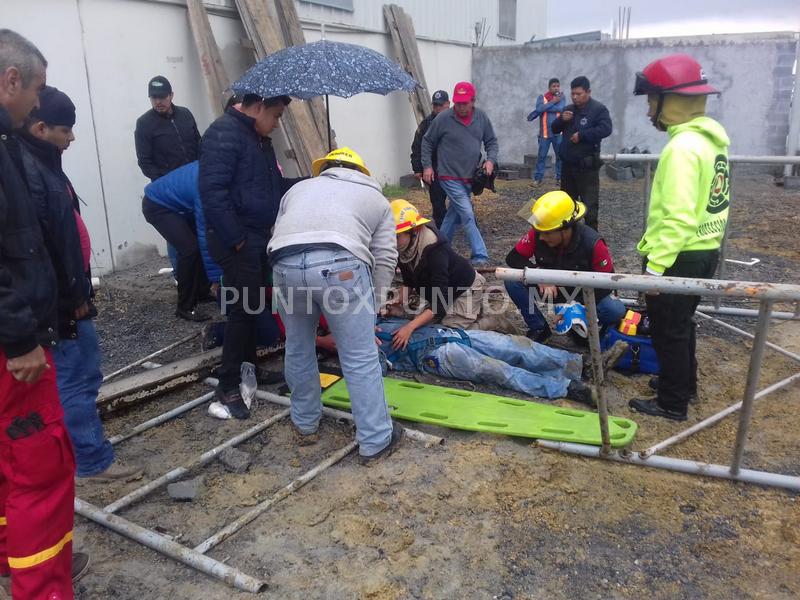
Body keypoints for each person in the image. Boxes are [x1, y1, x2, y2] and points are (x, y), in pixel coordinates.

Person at [17, 85, 142, 484]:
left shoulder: (43, 163)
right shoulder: (29, 172)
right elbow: (44, 248)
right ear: (40, 128)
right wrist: (73, 298)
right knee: (78, 377)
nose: (72, 138)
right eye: (65, 130)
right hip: (62, 303)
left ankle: (83, 450)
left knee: (81, 375)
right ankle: (91, 461)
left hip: (70, 295)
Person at [0, 28, 84, 599]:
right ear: (11, 80)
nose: (38, 102)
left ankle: (10, 562)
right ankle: (43, 586)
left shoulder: (11, 147)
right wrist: (20, 335)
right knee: (40, 470)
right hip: (14, 342)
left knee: (10, 456)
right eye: (37, 90)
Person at [268, 147, 403, 463]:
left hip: (284, 264)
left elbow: (279, 234)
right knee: (358, 355)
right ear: (361, 172)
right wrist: (374, 306)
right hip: (339, 264)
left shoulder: (297, 189)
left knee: (298, 347)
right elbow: (385, 257)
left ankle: (305, 424)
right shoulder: (375, 198)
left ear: (324, 168)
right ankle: (376, 440)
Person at [628, 54, 729, 422]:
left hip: (678, 254)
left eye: (651, 101)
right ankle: (683, 383)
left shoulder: (682, 149)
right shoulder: (710, 142)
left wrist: (654, 271)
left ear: (671, 100)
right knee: (682, 323)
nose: (648, 111)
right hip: (704, 249)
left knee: (668, 329)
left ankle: (672, 403)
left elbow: (679, 215)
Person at [199, 93, 303, 418]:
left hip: (257, 238)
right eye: (275, 116)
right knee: (242, 312)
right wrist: (238, 239)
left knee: (250, 306)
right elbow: (212, 193)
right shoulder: (224, 134)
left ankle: (249, 371)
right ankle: (227, 386)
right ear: (257, 107)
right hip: (238, 241)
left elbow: (272, 187)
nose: (276, 123)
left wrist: (312, 181)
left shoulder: (258, 139)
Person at [377, 318, 597, 406]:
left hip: (450, 333)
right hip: (433, 354)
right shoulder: (356, 350)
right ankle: (566, 388)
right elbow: (373, 372)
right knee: (497, 370)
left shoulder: (369, 315)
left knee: (514, 345)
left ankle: (578, 365)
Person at [504, 190, 626, 343]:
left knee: (615, 310)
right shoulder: (538, 233)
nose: (542, 237)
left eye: (547, 233)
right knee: (512, 281)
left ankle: (595, 331)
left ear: (565, 229)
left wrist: (576, 307)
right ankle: (539, 328)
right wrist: (539, 276)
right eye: (540, 232)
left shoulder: (593, 243)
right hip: (551, 290)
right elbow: (513, 257)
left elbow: (606, 285)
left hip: (583, 294)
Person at [386, 199, 507, 349]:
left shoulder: (435, 250)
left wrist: (409, 327)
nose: (391, 241)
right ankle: (471, 312)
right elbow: (409, 281)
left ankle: (490, 322)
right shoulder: (404, 248)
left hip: (465, 289)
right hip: (443, 293)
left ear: (414, 231)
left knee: (448, 336)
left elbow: (440, 304)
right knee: (428, 328)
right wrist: (397, 303)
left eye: (396, 236)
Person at [421, 81, 498, 266]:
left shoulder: (481, 118)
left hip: (470, 177)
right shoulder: (443, 119)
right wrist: (427, 166)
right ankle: (480, 255)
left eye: (465, 103)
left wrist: (490, 160)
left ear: (473, 101)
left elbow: (491, 142)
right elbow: (427, 141)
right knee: (467, 213)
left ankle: (437, 249)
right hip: (448, 176)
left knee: (452, 215)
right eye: (458, 103)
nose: (461, 107)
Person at [143, 161, 211, 321]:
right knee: (190, 249)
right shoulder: (205, 182)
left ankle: (201, 292)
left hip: (179, 204)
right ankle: (185, 306)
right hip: (157, 206)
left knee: (196, 247)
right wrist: (216, 278)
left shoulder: (212, 166)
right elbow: (204, 232)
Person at [551, 76, 612, 231]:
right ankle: (568, 239)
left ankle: (592, 241)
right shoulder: (568, 109)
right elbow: (554, 129)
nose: (575, 97)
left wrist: (583, 135)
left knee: (590, 208)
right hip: (568, 167)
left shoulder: (598, 110)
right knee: (567, 207)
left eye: (579, 94)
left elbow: (606, 129)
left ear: (588, 92)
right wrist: (561, 121)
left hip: (587, 168)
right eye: (573, 94)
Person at [134, 75, 201, 182]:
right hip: (170, 187)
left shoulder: (185, 114)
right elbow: (144, 161)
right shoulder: (144, 124)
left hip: (196, 178)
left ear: (171, 95)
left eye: (162, 97)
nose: (158, 102)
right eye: (154, 97)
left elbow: (199, 144)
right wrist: (164, 181)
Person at [410, 89, 450, 227]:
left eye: (440, 105)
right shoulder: (426, 124)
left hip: (454, 170)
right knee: (438, 204)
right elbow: (417, 147)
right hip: (434, 171)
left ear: (448, 104)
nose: (437, 108)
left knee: (462, 204)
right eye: (435, 105)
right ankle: (442, 233)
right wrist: (418, 169)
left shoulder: (457, 122)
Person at [528, 78, 566, 185]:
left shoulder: (562, 97)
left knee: (560, 156)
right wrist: (553, 102)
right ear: (549, 88)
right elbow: (539, 109)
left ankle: (559, 177)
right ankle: (538, 179)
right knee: (542, 156)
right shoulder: (542, 97)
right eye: (554, 86)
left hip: (558, 133)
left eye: (557, 86)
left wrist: (545, 107)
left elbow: (561, 108)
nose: (556, 88)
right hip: (544, 133)